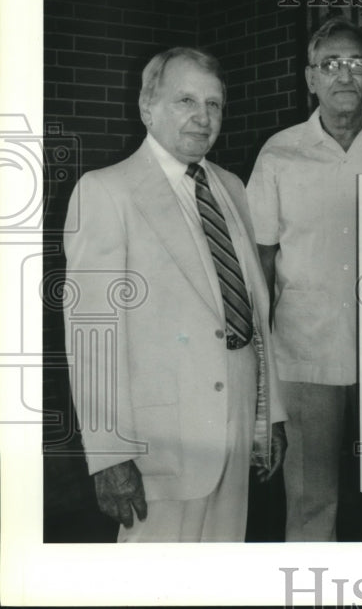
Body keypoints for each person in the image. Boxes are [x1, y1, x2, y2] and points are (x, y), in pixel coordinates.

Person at [63, 47, 287, 542]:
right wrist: (109, 453)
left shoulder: (230, 187)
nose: (203, 117)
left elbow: (252, 308)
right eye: (186, 100)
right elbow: (92, 339)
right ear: (147, 106)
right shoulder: (107, 192)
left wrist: (269, 414)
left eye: (214, 104)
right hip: (157, 446)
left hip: (234, 429)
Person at [246, 17, 362, 541]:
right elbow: (258, 262)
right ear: (310, 78)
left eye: (356, 64)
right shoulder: (279, 155)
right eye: (330, 65)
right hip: (305, 353)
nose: (344, 76)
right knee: (309, 500)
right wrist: (260, 367)